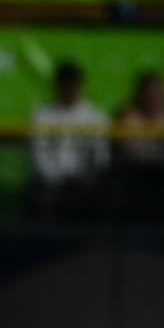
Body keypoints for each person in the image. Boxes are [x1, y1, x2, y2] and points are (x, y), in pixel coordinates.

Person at [27, 60, 110, 220]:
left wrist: (85, 180)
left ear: (80, 85)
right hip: (51, 182)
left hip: (86, 181)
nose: (69, 88)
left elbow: (101, 157)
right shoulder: (42, 116)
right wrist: (56, 181)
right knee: (40, 195)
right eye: (64, 83)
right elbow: (39, 157)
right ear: (56, 85)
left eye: (73, 83)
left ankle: (97, 242)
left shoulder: (95, 117)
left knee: (104, 192)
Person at [112, 70, 164, 222]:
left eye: (158, 93)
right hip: (134, 175)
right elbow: (126, 149)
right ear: (140, 94)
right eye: (149, 93)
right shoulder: (128, 115)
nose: (153, 98)